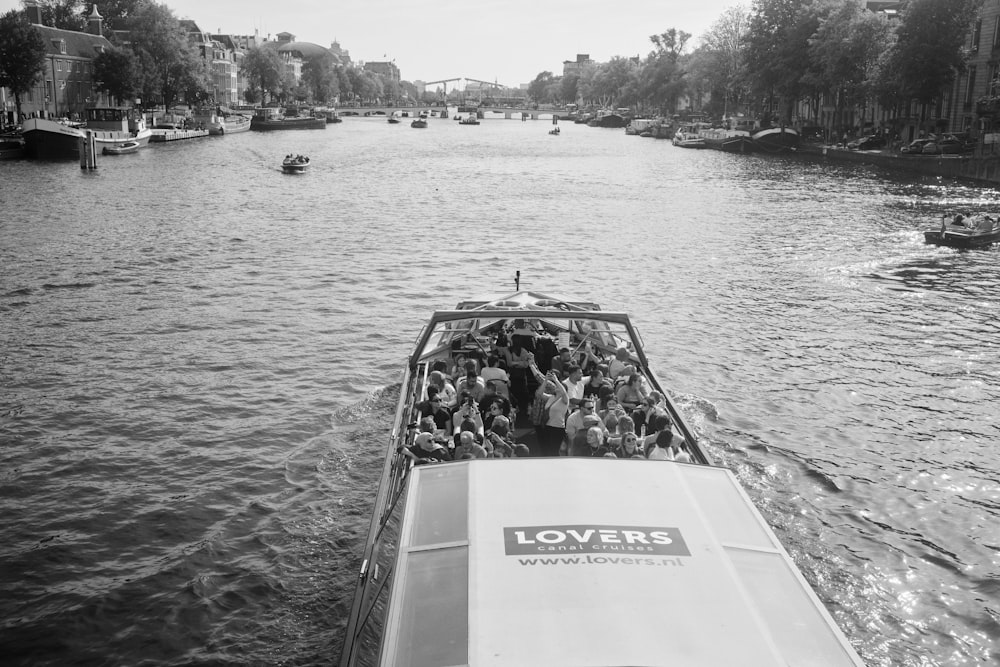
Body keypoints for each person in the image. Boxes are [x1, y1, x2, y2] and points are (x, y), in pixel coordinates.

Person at [529, 361, 569, 457]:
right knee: (546, 451)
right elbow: (539, 394)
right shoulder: (551, 397)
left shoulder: (565, 400)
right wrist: (546, 380)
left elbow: (563, 393)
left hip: (558, 429)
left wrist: (556, 380)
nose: (556, 387)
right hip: (547, 427)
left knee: (554, 451)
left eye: (559, 386)